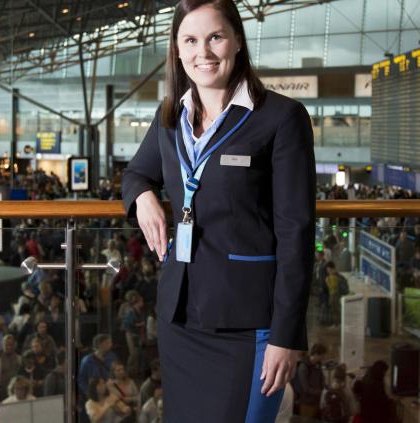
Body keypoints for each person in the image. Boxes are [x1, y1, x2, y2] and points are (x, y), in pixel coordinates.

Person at [120, 0, 315, 420]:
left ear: (238, 41)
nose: (203, 53)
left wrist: (287, 335)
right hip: (180, 316)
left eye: (216, 37)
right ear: (176, 48)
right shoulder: (170, 117)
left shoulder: (281, 118)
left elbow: (296, 234)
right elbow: (136, 172)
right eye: (190, 40)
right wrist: (142, 197)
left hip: (248, 323)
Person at [294, 343, 327, 420]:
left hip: (317, 402)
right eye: (322, 355)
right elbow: (305, 388)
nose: (323, 358)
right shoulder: (303, 367)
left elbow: (321, 380)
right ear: (316, 354)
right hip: (306, 403)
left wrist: (326, 389)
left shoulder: (318, 365)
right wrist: (322, 392)